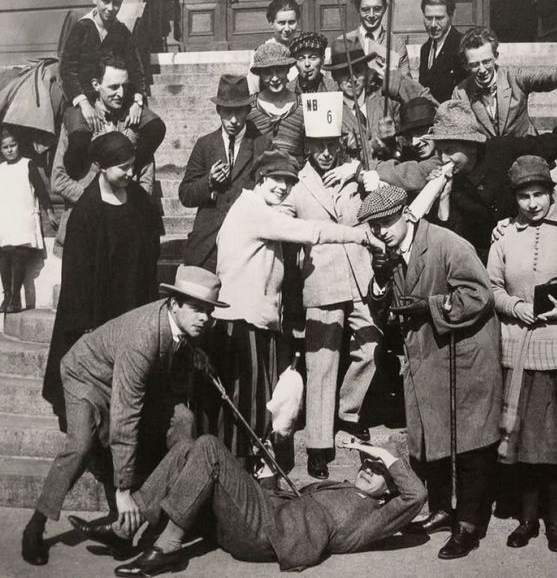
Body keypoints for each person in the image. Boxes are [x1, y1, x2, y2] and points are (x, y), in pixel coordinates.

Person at [21, 266, 226, 566]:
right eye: (197, 309)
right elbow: (125, 414)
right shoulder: (142, 339)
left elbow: (174, 346)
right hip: (86, 375)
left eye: (208, 311)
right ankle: (36, 524)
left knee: (184, 422)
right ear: (174, 304)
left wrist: (194, 354)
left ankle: (152, 518)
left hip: (122, 375)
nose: (204, 318)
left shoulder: (179, 323)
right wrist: (123, 489)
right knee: (81, 445)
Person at [210, 149, 384, 474]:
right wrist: (361, 235)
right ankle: (234, 481)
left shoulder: (257, 207)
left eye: (289, 182)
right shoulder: (253, 211)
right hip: (240, 321)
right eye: (276, 179)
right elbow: (311, 231)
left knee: (259, 409)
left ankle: (248, 479)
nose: (283, 187)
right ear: (260, 178)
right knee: (247, 410)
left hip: (255, 321)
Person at [361, 185, 502, 560]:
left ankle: (469, 525)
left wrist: (431, 305)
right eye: (375, 226)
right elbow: (381, 311)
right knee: (430, 436)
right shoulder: (390, 254)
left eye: (388, 221)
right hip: (426, 357)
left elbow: (479, 295)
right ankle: (442, 510)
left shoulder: (447, 243)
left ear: (407, 213)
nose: (382, 231)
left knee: (470, 442)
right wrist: (378, 282)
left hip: (464, 356)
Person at [66, 435, 426, 575]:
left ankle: (168, 546)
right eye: (366, 465)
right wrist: (266, 473)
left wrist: (380, 452)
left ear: (388, 490)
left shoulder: (377, 516)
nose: (368, 470)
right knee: (188, 447)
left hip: (268, 534)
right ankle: (126, 526)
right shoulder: (341, 487)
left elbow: (417, 495)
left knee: (209, 446)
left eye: (378, 472)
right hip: (263, 513)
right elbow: (290, 497)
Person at [486, 155, 557, 554]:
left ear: (551, 193)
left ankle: (556, 523)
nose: (532, 203)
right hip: (519, 352)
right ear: (515, 198)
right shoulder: (504, 238)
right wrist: (514, 306)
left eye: (539, 194)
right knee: (522, 442)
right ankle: (527, 520)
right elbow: (492, 287)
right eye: (524, 196)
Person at [280, 104, 382, 479]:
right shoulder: (297, 183)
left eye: (331, 144)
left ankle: (348, 413)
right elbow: (281, 220)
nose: (325, 152)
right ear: (307, 146)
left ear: (341, 143)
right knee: (321, 363)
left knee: (370, 347)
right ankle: (319, 445)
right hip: (320, 281)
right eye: (317, 145)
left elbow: (382, 203)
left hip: (359, 276)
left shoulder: (353, 173)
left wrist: (362, 174)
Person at [430, 86, 557, 264]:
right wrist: (444, 197)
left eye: (449, 150)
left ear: (471, 146)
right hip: (488, 262)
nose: (443, 158)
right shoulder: (449, 183)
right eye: (439, 150)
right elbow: (451, 241)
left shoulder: (503, 150)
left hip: (531, 245)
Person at [43, 131, 161, 430]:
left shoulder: (137, 199)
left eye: (132, 165)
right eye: (123, 167)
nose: (131, 173)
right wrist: (90, 328)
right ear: (102, 167)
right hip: (98, 312)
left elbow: (151, 246)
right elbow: (77, 279)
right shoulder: (86, 212)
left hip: (133, 302)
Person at [59, 0, 165, 180]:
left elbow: (136, 70)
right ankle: (85, 180)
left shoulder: (122, 32)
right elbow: (66, 71)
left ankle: (129, 167)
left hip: (115, 97)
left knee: (155, 127)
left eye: (116, 3)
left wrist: (137, 100)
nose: (110, 8)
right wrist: (83, 103)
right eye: (105, 1)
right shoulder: (81, 29)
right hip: (82, 100)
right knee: (80, 137)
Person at [51, 53, 156, 252]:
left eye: (125, 86)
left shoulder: (134, 123)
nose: (121, 93)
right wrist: (98, 202)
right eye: (113, 87)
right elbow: (58, 179)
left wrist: (128, 205)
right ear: (96, 84)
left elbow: (146, 177)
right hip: (81, 232)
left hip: (123, 235)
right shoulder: (78, 123)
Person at [178, 74, 270, 273]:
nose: (234, 120)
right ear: (218, 110)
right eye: (228, 112)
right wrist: (208, 182)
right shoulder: (205, 145)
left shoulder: (262, 144)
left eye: (239, 112)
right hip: (208, 247)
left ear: (248, 110)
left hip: (245, 245)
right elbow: (185, 195)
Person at [452, 27, 557, 139]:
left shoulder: (514, 76)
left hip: (525, 154)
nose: (482, 69)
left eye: (486, 61)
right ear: (466, 65)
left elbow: (551, 75)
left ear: (496, 56)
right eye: (474, 65)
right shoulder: (461, 93)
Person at [325, 36, 435, 163]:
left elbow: (429, 104)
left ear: (366, 71)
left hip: (391, 175)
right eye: (345, 73)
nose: (353, 79)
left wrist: (397, 79)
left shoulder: (387, 100)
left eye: (358, 71)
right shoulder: (331, 110)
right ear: (334, 76)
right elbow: (333, 156)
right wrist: (373, 145)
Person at [0, 127, 58, 313]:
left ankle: (16, 298)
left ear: (19, 146)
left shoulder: (28, 164)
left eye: (13, 145)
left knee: (18, 255)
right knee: (4, 256)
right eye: (5, 147)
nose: (9, 150)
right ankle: (7, 294)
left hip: (23, 217)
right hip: (5, 218)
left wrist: (49, 211)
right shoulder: (0, 169)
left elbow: (41, 191)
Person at [248, 42, 305, 163]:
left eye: (279, 70)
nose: (274, 78)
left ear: (288, 70)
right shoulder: (250, 107)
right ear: (260, 74)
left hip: (297, 175)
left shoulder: (303, 105)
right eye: (268, 73)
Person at [342, 0, 409, 76]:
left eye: (377, 9)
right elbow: (333, 83)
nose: (371, 15)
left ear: (385, 8)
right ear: (358, 10)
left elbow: (407, 85)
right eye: (365, 9)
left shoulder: (397, 44)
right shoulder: (344, 43)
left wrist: (394, 76)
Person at [418, 0, 467, 103]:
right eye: (429, 18)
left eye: (439, 18)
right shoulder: (425, 49)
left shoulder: (462, 45)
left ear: (451, 16)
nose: (433, 25)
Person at [247, 0, 301, 93]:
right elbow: (253, 90)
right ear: (271, 23)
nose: (287, 28)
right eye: (281, 23)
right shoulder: (259, 54)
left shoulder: (303, 51)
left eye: (292, 22)